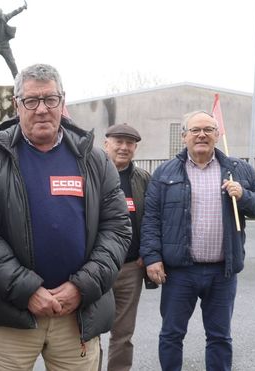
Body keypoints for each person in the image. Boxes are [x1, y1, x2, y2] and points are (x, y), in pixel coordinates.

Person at [0, 63, 132, 371]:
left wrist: (81, 287)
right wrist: (27, 291)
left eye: (50, 99)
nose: (42, 109)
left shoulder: (93, 160)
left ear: (62, 102)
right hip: (8, 317)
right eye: (31, 100)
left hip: (76, 315)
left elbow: (117, 229)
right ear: (17, 105)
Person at [141, 110, 255, 371]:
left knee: (219, 337)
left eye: (208, 129)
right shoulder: (165, 172)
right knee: (171, 335)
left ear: (217, 134)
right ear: (184, 136)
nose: (202, 135)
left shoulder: (237, 170)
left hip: (222, 272)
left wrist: (244, 195)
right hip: (179, 272)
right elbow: (151, 219)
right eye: (195, 130)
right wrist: (152, 257)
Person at [103, 123, 151, 371]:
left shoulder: (142, 178)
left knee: (123, 334)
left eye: (129, 143)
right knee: (86, 331)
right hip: (94, 268)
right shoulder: (89, 172)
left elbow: (153, 219)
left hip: (131, 268)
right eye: (118, 141)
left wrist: (149, 253)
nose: (123, 147)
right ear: (106, 144)